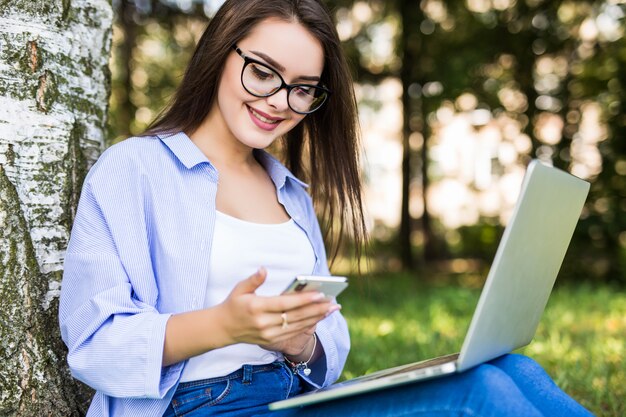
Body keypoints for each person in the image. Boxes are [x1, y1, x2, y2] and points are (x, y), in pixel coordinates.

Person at [58, 1, 594, 416]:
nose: (279, 102)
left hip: (293, 396)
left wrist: (302, 344)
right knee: (475, 393)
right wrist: (227, 325)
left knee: (512, 369)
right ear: (220, 52)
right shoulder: (134, 170)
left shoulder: (288, 190)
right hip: (202, 405)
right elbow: (93, 344)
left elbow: (331, 346)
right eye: (263, 73)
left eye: (302, 89)